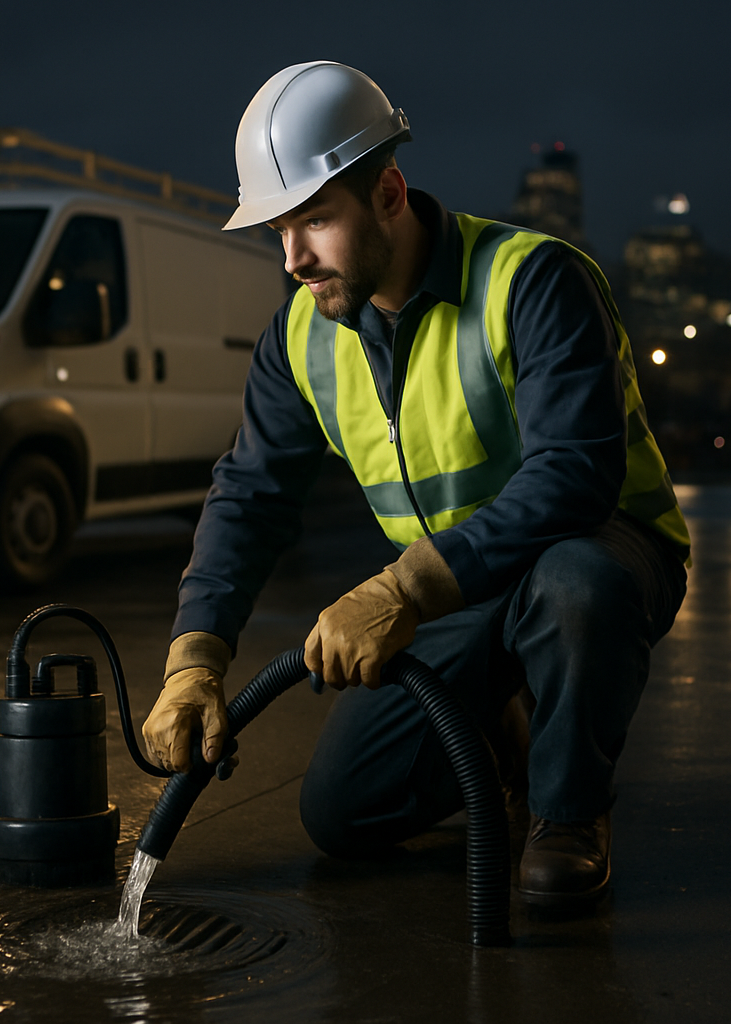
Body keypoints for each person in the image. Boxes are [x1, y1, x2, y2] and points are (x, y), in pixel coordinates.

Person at [141, 61, 690, 908]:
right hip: (456, 595)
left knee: (576, 584)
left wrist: (402, 588)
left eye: (316, 220)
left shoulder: (533, 280)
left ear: (390, 194)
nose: (292, 258)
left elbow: (577, 474)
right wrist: (195, 659)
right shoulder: (300, 338)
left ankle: (569, 814)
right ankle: (501, 728)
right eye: (278, 230)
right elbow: (248, 497)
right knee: (344, 814)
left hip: (596, 552)